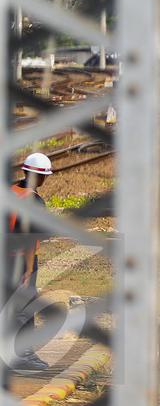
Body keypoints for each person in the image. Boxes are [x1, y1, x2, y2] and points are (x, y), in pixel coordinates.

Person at [6, 153, 52, 372]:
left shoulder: (10, 191)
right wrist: (29, 270)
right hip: (21, 261)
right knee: (24, 308)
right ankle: (22, 355)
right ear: (41, 177)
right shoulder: (34, 201)